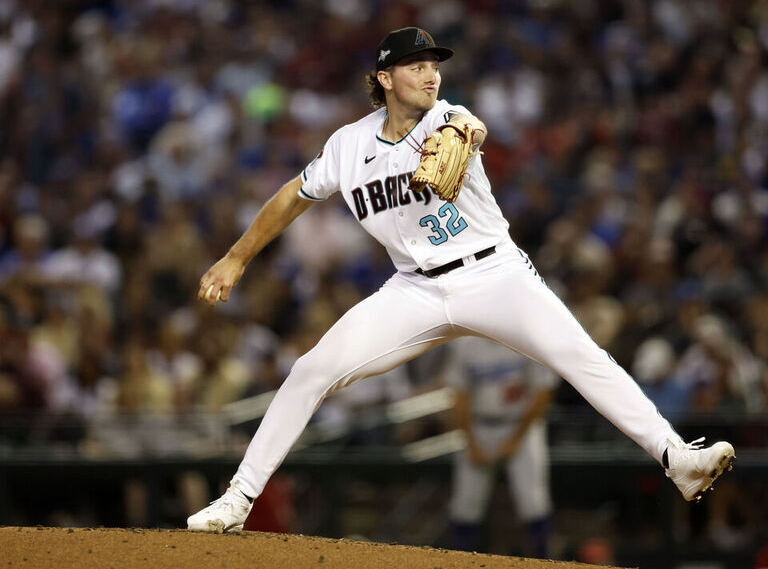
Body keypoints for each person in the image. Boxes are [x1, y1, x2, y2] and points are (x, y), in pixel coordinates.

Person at [187, 27, 735, 533]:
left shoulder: (445, 117)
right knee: (310, 370)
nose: (430, 74)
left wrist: (461, 131)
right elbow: (293, 195)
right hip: (414, 289)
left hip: (493, 274)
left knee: (581, 356)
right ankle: (239, 499)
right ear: (384, 79)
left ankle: (676, 458)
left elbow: (468, 125)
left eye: (434, 65)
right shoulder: (347, 146)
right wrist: (236, 256)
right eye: (415, 66)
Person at [446, 337, 556, 558]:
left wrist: (515, 440)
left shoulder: (527, 340)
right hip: (478, 426)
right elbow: (458, 395)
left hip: (523, 426)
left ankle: (544, 560)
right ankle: (458, 562)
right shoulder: (465, 343)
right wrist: (471, 441)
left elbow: (543, 393)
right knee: (465, 504)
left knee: (534, 501)